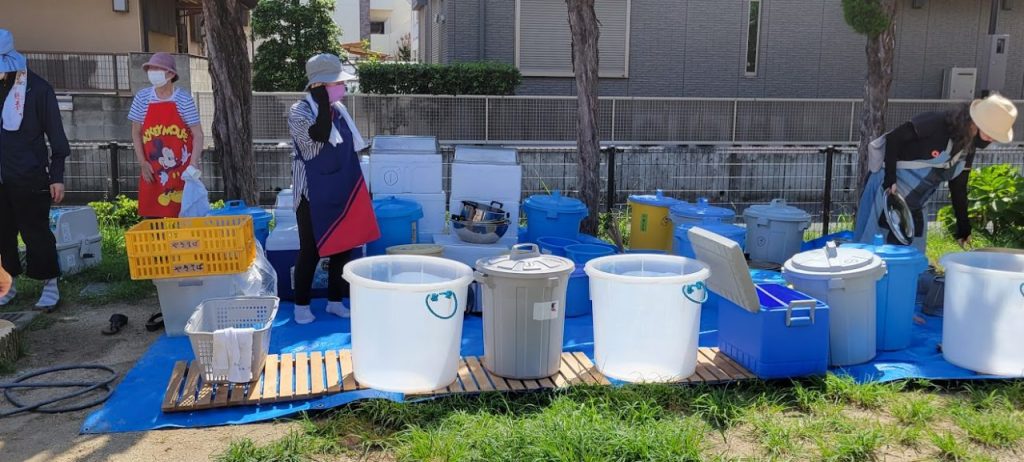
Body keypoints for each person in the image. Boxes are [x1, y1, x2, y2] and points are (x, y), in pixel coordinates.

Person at [854, 94, 1018, 250]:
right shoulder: (936, 123)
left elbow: (958, 186)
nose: (992, 139)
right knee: (873, 252)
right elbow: (894, 139)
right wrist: (890, 180)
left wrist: (963, 227)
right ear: (977, 121)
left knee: (912, 258)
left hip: (915, 206)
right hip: (887, 193)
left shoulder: (967, 147)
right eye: (992, 133)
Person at [287, 54, 379, 324]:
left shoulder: (340, 111)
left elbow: (351, 150)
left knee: (344, 245)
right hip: (310, 191)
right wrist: (323, 102)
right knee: (311, 249)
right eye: (336, 83)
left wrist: (362, 187)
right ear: (320, 86)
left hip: (342, 188)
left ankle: (334, 301)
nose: (342, 88)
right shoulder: (299, 111)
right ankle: (301, 306)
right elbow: (317, 136)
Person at [0, 29, 69, 309]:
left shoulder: (37, 89)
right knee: (2, 233)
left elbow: (57, 136)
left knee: (36, 232)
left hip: (29, 175)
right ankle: (8, 286)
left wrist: (57, 177)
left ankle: (50, 285)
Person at [128, 52, 204, 218]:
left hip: (181, 171)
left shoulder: (184, 99)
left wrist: (193, 163)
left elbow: (198, 134)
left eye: (157, 69)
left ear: (170, 74)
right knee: (153, 220)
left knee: (182, 217)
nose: (152, 72)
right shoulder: (142, 98)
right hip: (152, 170)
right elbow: (136, 132)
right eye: (150, 68)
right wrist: (142, 162)